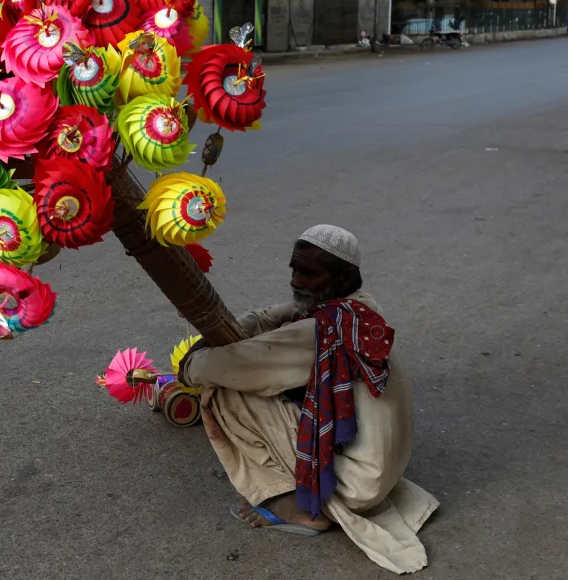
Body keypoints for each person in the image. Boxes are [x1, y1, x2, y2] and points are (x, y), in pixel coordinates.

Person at [179, 225, 439, 574]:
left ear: (344, 276)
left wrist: (192, 359)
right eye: (294, 269)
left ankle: (297, 506)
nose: (295, 280)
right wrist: (248, 325)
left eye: (308, 273)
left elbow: (216, 367)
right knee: (262, 373)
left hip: (353, 485)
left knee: (222, 388)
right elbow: (273, 316)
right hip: (380, 475)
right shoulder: (361, 309)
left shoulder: (320, 332)